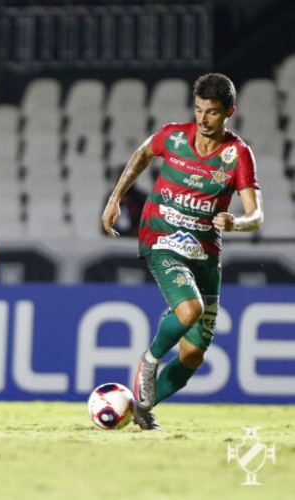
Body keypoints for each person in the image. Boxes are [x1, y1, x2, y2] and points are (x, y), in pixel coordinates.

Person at [101, 73, 264, 430]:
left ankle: (141, 408)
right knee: (190, 309)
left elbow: (256, 214)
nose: (204, 120)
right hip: (161, 235)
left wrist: (237, 223)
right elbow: (142, 154)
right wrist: (116, 198)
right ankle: (149, 359)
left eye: (213, 113)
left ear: (229, 112)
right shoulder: (173, 136)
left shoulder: (237, 154)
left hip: (205, 250)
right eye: (199, 110)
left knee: (193, 354)